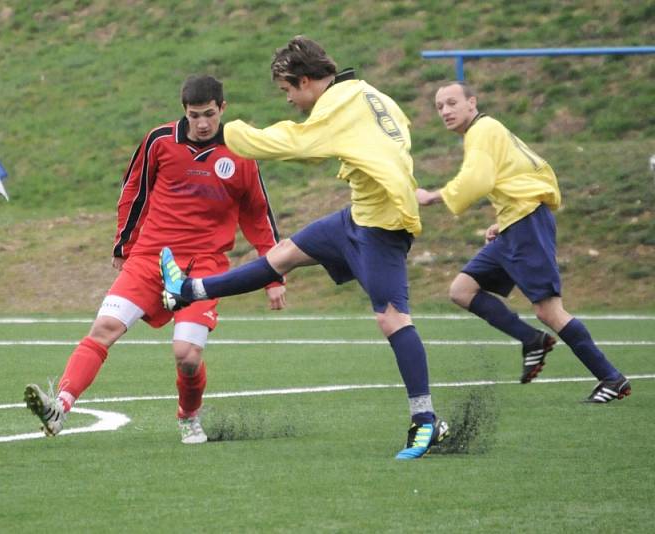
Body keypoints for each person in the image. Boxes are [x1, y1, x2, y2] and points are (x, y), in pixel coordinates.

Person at [160, 36, 449, 460]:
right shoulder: (368, 93)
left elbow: (295, 144)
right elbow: (397, 137)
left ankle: (426, 421)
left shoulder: (336, 106)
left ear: (308, 81)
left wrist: (226, 131)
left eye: (288, 90)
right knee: (283, 256)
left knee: (392, 319)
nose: (290, 100)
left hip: (382, 225)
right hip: (359, 215)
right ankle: (190, 290)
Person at [24, 75, 286, 444]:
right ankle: (60, 407)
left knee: (187, 356)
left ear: (223, 109)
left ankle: (188, 417)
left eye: (209, 114)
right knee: (104, 328)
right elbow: (135, 191)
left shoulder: (241, 152)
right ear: (184, 112)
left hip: (204, 267)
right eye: (195, 115)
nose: (203, 123)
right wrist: (123, 244)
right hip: (150, 257)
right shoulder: (159, 141)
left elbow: (259, 216)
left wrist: (273, 275)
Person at [416, 81, 630, 403]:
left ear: (472, 103)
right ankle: (532, 340)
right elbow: (526, 173)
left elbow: (478, 179)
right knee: (462, 290)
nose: (445, 111)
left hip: (526, 224)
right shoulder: (487, 131)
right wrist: (503, 219)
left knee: (549, 311)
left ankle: (611, 378)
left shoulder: (482, 130)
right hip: (516, 224)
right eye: (439, 107)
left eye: (451, 103)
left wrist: (434, 196)